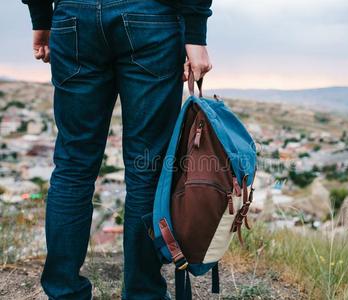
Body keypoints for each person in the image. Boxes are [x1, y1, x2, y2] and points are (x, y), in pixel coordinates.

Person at [22, 0, 212, 298]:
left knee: (73, 167)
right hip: (150, 17)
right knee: (145, 169)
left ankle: (64, 292)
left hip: (74, 17)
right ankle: (143, 293)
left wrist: (41, 17)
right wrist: (196, 32)